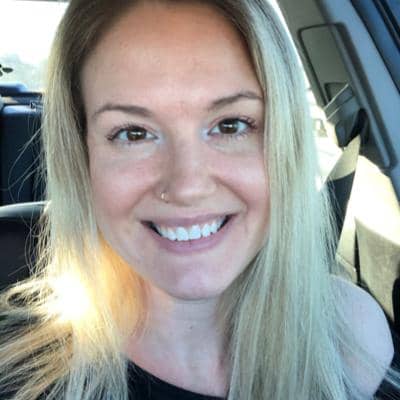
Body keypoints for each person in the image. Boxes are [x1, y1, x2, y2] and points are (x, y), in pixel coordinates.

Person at [0, 0, 398, 399]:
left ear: (286, 142)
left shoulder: (349, 334)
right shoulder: (16, 376)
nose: (187, 186)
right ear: (81, 155)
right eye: (133, 133)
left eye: (231, 125)